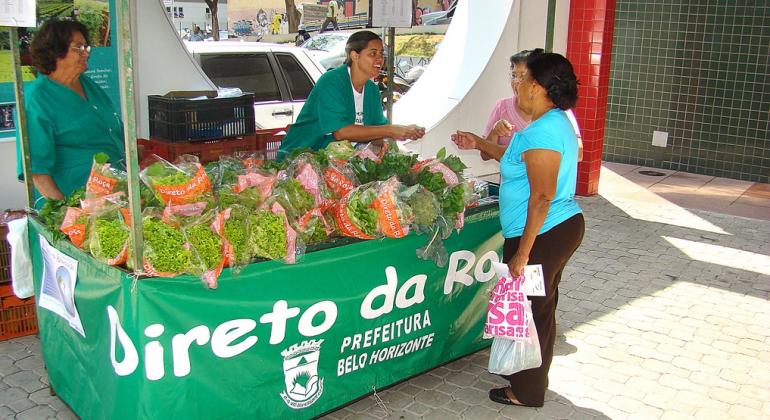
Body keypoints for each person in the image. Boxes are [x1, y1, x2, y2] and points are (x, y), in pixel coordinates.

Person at [452, 51, 585, 408]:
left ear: (539, 87)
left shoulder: (543, 130)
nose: (517, 85)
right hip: (554, 228)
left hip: (545, 231)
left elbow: (541, 196)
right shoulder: (552, 122)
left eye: (522, 79)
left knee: (530, 310)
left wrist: (523, 253)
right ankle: (528, 374)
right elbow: (517, 165)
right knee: (539, 307)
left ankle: (526, 391)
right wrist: (480, 142)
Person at [17, 19, 125, 202]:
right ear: (54, 51)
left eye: (86, 47)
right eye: (78, 48)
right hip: (73, 198)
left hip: (112, 196)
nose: (86, 54)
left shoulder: (88, 84)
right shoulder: (37, 99)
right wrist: (66, 213)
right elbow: (36, 171)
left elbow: (112, 130)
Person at [277, 31, 424, 159]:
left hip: (340, 162)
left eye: (381, 54)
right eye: (373, 53)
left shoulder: (372, 90)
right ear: (354, 55)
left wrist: (401, 133)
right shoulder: (332, 81)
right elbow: (341, 132)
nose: (379, 59)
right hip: (303, 158)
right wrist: (391, 130)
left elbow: (377, 132)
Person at [483, 48, 583, 161]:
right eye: (514, 75)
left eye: (523, 77)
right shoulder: (502, 107)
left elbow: (576, 153)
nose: (517, 82)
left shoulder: (547, 123)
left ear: (535, 85)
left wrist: (479, 143)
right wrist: (486, 138)